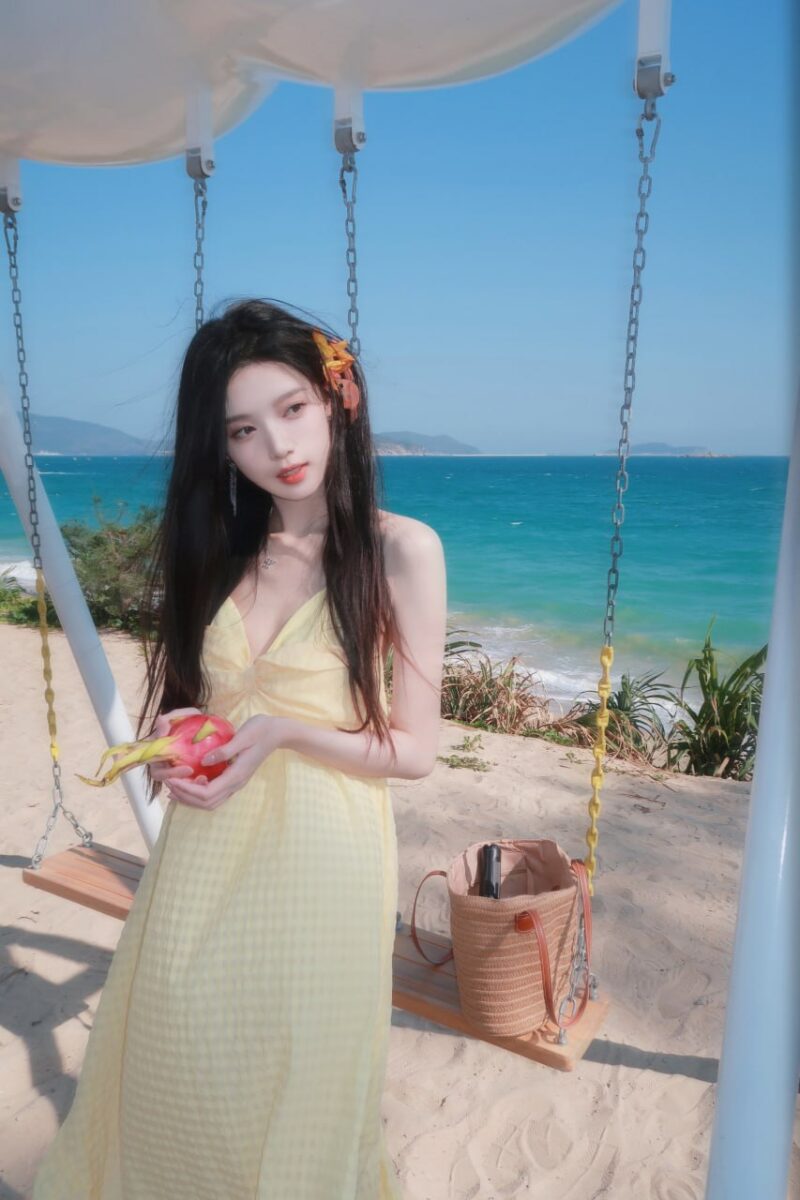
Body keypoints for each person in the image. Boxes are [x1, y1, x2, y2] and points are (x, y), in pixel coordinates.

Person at [32, 298, 447, 1199]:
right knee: (171, 1055)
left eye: (292, 409)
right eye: (244, 430)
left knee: (300, 1084)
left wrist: (286, 733)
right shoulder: (222, 549)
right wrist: (181, 736)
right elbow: (212, 704)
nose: (278, 447)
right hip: (207, 842)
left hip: (324, 853)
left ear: (338, 399)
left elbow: (416, 749)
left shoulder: (401, 550)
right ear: (221, 448)